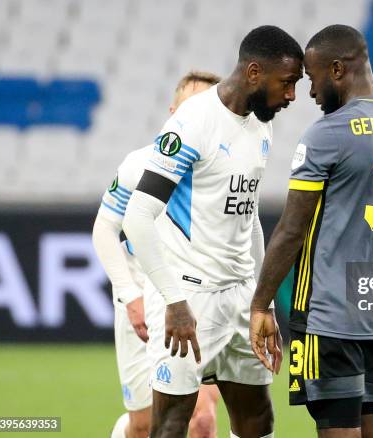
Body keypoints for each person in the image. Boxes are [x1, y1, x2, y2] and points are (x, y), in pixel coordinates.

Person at [123, 25, 304, 438]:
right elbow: (138, 217)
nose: (292, 95)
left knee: (258, 420)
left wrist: (264, 305)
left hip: (242, 295)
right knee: (171, 424)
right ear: (255, 72)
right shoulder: (192, 122)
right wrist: (175, 301)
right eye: (288, 83)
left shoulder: (262, 123)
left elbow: (250, 218)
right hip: (189, 296)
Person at [250, 25, 373, 438]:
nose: (309, 92)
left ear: (337, 69)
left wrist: (260, 305)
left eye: (312, 79)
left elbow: (293, 230)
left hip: (328, 315)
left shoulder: (328, 134)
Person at [92, 71, 222, 438]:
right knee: (144, 425)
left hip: (197, 295)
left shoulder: (222, 172)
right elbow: (104, 229)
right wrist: (130, 295)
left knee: (200, 421)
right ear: (172, 112)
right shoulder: (141, 164)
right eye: (189, 109)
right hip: (142, 291)